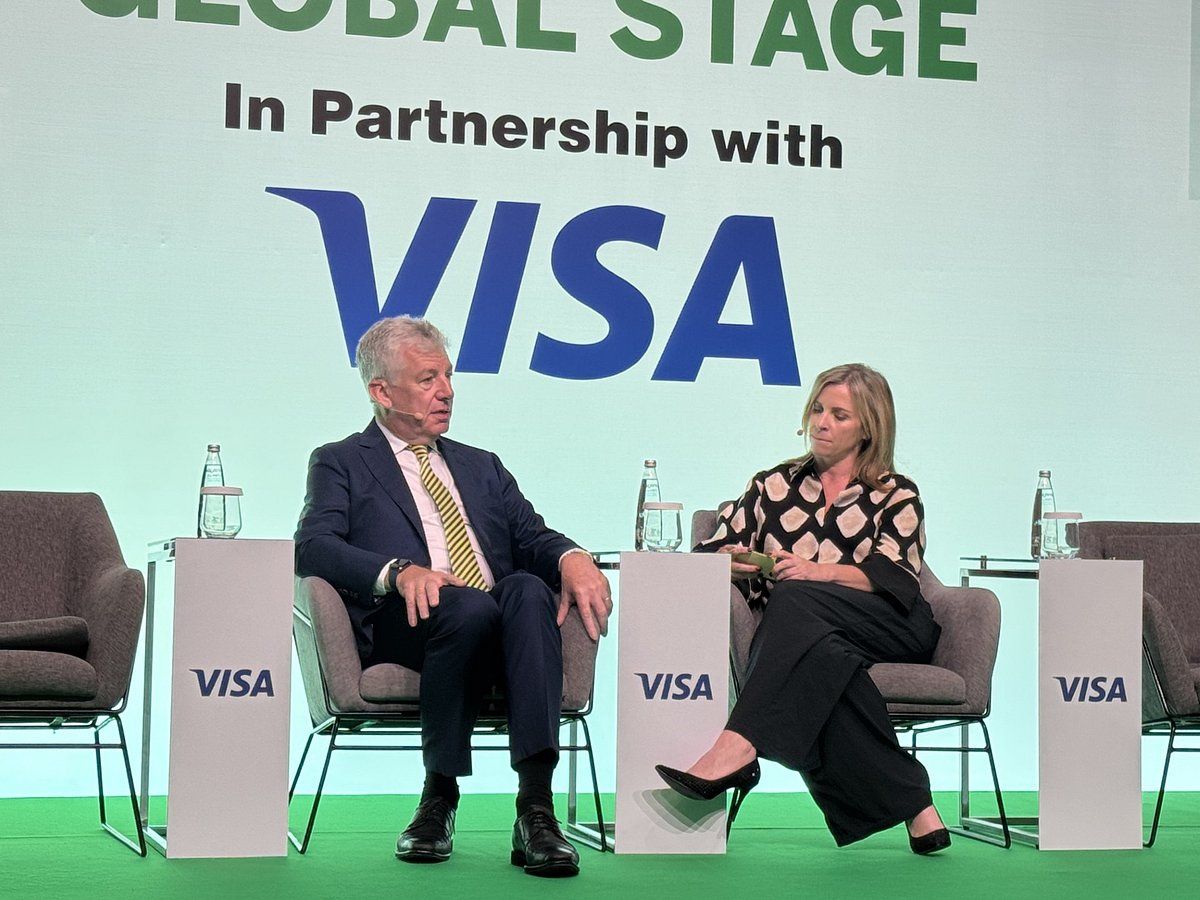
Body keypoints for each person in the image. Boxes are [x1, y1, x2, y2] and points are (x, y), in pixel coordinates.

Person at [295, 315, 611, 877]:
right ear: (381, 392)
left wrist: (572, 556)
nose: (447, 391)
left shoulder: (481, 465)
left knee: (527, 589)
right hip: (411, 624)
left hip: (502, 621)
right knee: (463, 603)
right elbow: (313, 546)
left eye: (447, 376)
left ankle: (535, 809)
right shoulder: (341, 460)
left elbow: (532, 537)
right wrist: (396, 572)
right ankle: (438, 796)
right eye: (428, 379)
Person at [655, 363, 950, 854]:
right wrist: (732, 562)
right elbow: (709, 550)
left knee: (795, 596)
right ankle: (917, 804)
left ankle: (739, 743)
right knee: (826, 660)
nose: (822, 422)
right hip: (805, 636)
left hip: (890, 624)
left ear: (868, 428)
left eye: (839, 415)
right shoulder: (772, 485)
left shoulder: (896, 493)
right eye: (817, 409)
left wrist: (818, 572)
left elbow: (896, 576)